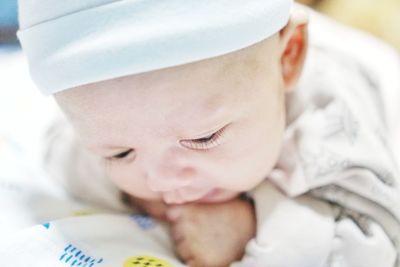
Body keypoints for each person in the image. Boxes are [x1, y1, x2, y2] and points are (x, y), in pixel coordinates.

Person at [17, 0, 400, 266]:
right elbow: (59, 152)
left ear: (286, 60)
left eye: (203, 138)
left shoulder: (330, 124)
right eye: (120, 153)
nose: (161, 179)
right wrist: (131, 193)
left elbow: (377, 242)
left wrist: (253, 226)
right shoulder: (115, 117)